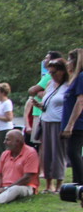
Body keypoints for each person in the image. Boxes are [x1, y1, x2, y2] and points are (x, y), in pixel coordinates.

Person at [29, 58, 70, 193]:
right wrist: (39, 105)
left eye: (54, 72)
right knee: (46, 153)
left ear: (62, 71)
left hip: (59, 122)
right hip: (46, 120)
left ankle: (59, 184)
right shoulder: (50, 84)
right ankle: (48, 184)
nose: (52, 75)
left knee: (58, 153)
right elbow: (47, 103)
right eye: (50, 72)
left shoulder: (68, 85)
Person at [61, 48, 83, 184]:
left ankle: (80, 182)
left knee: (73, 152)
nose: (67, 62)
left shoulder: (81, 77)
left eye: (69, 59)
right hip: (72, 123)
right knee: (72, 153)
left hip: (78, 123)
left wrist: (70, 125)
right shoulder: (75, 79)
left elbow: (80, 101)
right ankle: (77, 183)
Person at [0, 82, 14, 165]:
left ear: (2, 92)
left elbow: (9, 118)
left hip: (4, 129)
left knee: (3, 149)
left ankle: (6, 165)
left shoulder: (7, 103)